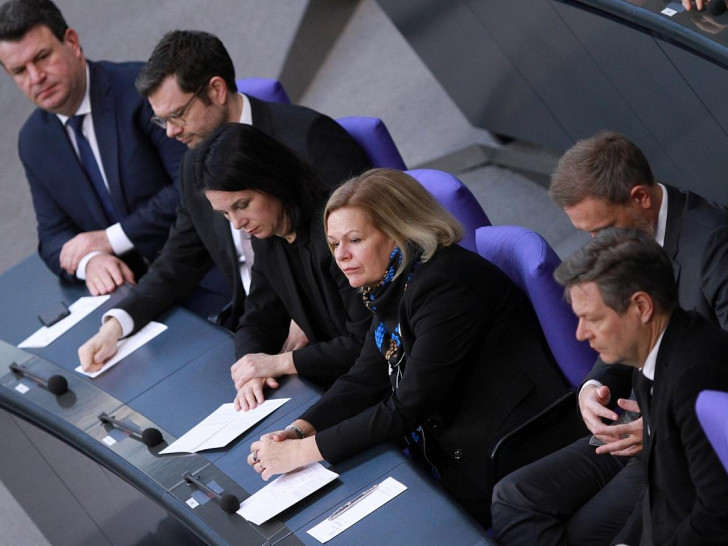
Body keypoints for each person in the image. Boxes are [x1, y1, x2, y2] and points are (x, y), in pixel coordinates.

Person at [245, 168, 569, 527]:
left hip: (509, 448)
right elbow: (364, 378)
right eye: (334, 244)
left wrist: (302, 453)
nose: (341, 256)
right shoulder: (393, 282)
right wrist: (299, 430)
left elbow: (409, 406)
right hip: (450, 440)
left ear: (399, 232)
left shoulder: (445, 285)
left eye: (355, 240)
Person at [77, 30, 371, 406]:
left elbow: (360, 250)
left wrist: (301, 320)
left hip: (336, 337)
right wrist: (118, 323)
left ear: (216, 90)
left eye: (178, 115)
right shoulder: (193, 167)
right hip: (256, 330)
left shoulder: (309, 139)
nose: (170, 132)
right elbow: (180, 258)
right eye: (160, 121)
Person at [491, 131, 728, 545]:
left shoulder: (713, 245)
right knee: (515, 497)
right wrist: (595, 383)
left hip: (685, 437)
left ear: (641, 198)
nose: (595, 244)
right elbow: (621, 327)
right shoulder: (627, 243)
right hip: (638, 414)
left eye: (602, 229)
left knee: (585, 533)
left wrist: (657, 428)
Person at [555, 228, 728, 545]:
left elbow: (718, 515)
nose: (580, 334)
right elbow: (660, 491)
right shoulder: (648, 357)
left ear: (642, 307)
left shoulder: (697, 379)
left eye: (592, 318)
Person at [0, 0, 185, 295]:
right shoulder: (34, 140)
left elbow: (191, 186)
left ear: (71, 42)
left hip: (201, 273)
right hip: (129, 292)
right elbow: (53, 235)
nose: (36, 78)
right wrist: (91, 260)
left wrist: (111, 239)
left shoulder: (142, 92)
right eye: (20, 70)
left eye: (43, 57)